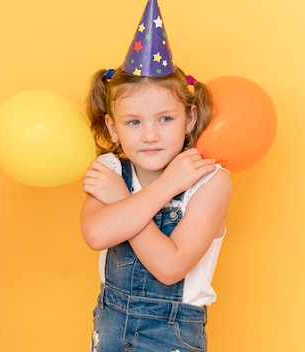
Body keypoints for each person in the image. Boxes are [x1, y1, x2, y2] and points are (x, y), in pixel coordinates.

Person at [80, 1, 232, 351]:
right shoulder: (111, 169)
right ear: (113, 127)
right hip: (110, 327)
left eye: (165, 119)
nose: (150, 135)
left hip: (173, 335)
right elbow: (96, 233)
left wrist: (134, 194)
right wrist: (158, 187)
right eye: (134, 122)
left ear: (190, 119)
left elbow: (170, 267)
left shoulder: (211, 181)